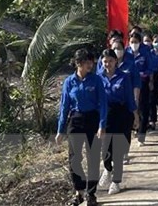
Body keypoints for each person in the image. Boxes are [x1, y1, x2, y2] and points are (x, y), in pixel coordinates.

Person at [56, 49, 108, 206]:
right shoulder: (69, 82)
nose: (90, 65)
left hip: (92, 119)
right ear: (78, 63)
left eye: (91, 62)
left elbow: (103, 103)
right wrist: (60, 130)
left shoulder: (96, 80)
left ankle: (91, 194)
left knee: (93, 158)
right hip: (76, 120)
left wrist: (102, 125)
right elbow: (64, 106)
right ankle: (79, 192)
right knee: (74, 158)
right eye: (87, 62)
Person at [97, 49, 140, 195]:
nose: (108, 64)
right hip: (105, 115)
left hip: (122, 115)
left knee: (118, 150)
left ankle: (116, 182)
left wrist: (135, 116)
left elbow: (129, 98)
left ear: (116, 61)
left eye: (110, 61)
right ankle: (108, 169)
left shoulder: (124, 77)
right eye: (105, 61)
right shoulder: (98, 78)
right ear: (101, 63)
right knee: (105, 150)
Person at [127, 32, 152, 146]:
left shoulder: (145, 52)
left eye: (136, 42)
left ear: (140, 42)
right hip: (128, 86)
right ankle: (133, 128)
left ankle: (141, 134)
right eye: (132, 42)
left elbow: (150, 67)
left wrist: (146, 75)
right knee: (130, 110)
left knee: (143, 110)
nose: (133, 44)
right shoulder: (126, 53)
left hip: (143, 85)